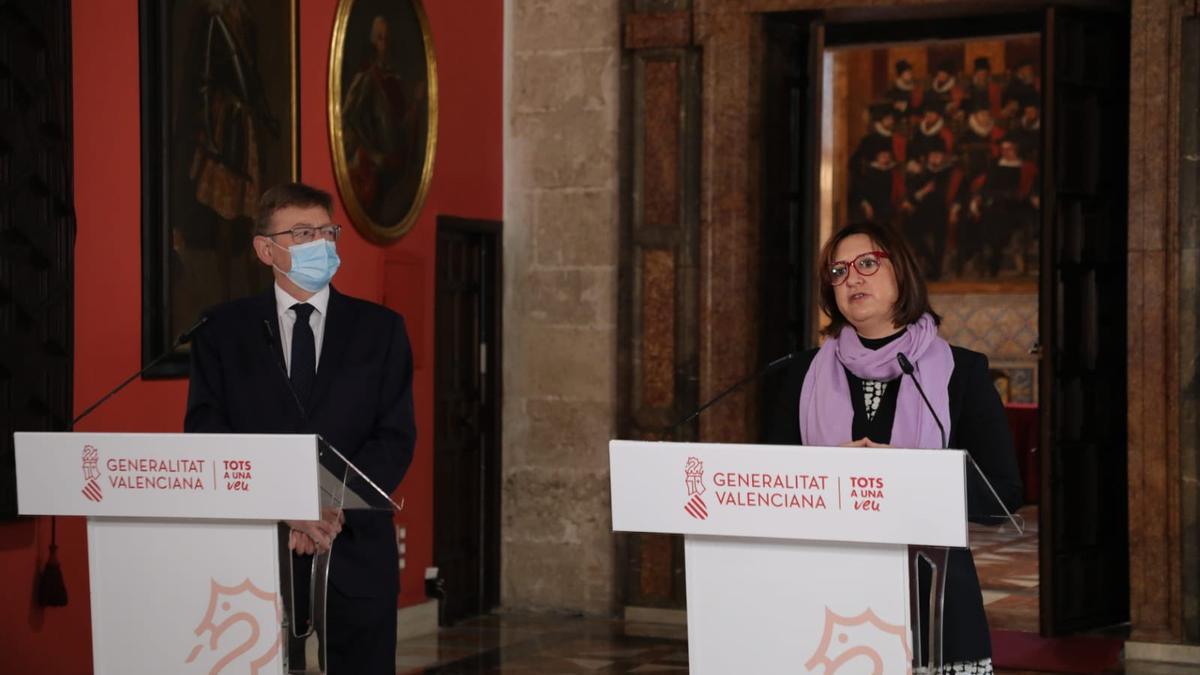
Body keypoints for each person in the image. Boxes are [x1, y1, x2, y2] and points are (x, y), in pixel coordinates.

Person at [766, 221, 1022, 675]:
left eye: (867, 263)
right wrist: (827, 471)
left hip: (933, 596)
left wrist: (913, 472)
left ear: (901, 273)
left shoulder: (962, 372)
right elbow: (774, 484)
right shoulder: (803, 372)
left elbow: (1001, 497)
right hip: (825, 597)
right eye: (838, 271)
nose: (852, 278)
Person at [184, 182, 416, 674]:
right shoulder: (222, 331)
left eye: (327, 232)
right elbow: (208, 431)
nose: (322, 245)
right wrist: (285, 506)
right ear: (265, 249)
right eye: (303, 233)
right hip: (254, 557)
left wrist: (327, 506)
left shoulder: (382, 329)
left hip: (352, 548)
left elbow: (394, 437)